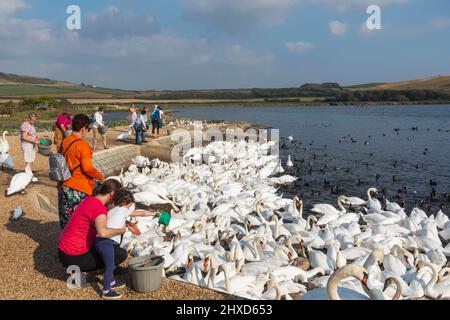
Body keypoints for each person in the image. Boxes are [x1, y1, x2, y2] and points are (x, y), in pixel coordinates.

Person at [58, 180, 128, 299]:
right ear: (111, 194)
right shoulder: (99, 209)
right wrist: (121, 231)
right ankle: (107, 287)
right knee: (120, 253)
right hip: (74, 258)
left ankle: (107, 270)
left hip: (64, 252)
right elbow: (103, 232)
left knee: (106, 247)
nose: (118, 198)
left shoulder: (90, 199)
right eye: (118, 195)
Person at [95, 188, 155, 299]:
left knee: (110, 263)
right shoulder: (123, 209)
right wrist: (154, 213)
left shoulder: (114, 209)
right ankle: (106, 291)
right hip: (106, 241)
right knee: (109, 266)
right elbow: (141, 213)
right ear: (124, 203)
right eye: (130, 204)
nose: (130, 207)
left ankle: (111, 282)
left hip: (101, 240)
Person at [58, 114, 105, 230]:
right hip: (79, 189)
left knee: (67, 220)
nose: (87, 131)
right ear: (83, 128)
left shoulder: (66, 141)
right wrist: (101, 177)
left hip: (65, 185)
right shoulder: (83, 146)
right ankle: (78, 246)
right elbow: (87, 168)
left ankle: (65, 243)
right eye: (88, 129)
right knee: (80, 222)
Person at [20, 112, 41, 179]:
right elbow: (24, 137)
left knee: (30, 159)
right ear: (29, 118)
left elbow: (31, 134)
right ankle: (28, 175)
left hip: (31, 144)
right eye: (33, 120)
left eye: (35, 120)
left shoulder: (31, 124)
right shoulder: (25, 125)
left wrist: (38, 136)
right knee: (28, 160)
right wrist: (35, 140)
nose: (34, 121)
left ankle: (28, 174)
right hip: (27, 144)